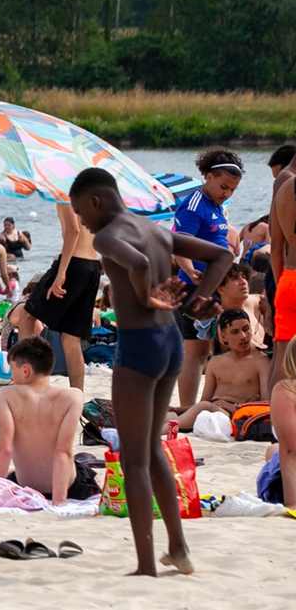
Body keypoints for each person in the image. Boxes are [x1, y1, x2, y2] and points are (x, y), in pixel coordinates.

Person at [70, 164, 231, 576]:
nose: (82, 222)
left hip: (139, 345)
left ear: (96, 201)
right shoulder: (156, 229)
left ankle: (146, 565)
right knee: (153, 449)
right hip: (170, 343)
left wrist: (145, 297)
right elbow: (223, 255)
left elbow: (138, 264)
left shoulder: (107, 236)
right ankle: (178, 547)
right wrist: (200, 298)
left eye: (81, 212)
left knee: (133, 459)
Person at [173, 148, 242, 407]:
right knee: (195, 351)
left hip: (219, 283)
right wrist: (190, 270)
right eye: (224, 187)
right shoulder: (193, 205)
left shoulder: (217, 205)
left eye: (232, 190)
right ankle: (187, 406)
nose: (227, 194)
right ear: (208, 176)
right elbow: (179, 243)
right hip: (196, 285)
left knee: (218, 347)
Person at [10, 201, 104, 390]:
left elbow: (73, 231)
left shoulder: (63, 192)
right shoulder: (87, 194)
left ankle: (28, 382)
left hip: (73, 265)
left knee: (27, 315)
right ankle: (77, 395)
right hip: (92, 266)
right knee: (71, 337)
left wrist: (61, 273)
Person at [0, 335, 85, 503]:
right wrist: (58, 502)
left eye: (12, 370)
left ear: (25, 371)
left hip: (26, 486)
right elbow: (63, 452)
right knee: (82, 462)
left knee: (11, 473)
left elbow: (5, 449)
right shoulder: (73, 397)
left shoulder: (6, 395)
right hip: (68, 487)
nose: (11, 377)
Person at [175, 309, 270, 430]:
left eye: (246, 329)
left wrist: (230, 406)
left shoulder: (261, 361)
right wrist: (179, 409)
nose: (243, 336)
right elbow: (204, 401)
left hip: (237, 415)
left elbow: (266, 403)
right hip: (211, 413)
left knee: (204, 408)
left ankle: (166, 430)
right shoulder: (215, 362)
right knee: (170, 414)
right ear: (224, 337)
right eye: (235, 332)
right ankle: (166, 428)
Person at [269, 144, 296, 385]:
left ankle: (273, 408)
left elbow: (275, 249)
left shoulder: (285, 187)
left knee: (282, 358)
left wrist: (280, 287)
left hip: (289, 279)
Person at [271, 338, 296, 507]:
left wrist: (292, 503)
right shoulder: (287, 390)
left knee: (273, 451)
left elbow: (289, 449)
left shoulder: (286, 390)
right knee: (272, 451)